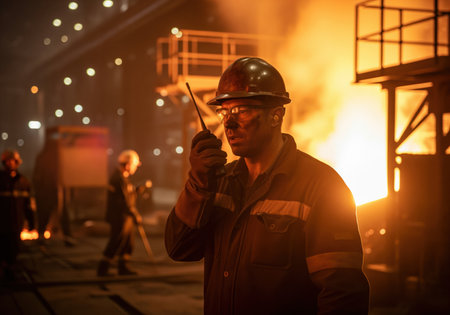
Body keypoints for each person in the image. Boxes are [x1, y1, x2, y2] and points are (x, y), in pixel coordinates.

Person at [165, 57, 370, 314]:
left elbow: (343, 295)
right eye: (224, 112)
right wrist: (198, 184)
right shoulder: (220, 184)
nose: (228, 123)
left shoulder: (322, 187)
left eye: (241, 111)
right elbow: (179, 249)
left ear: (276, 115)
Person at [97, 150, 143, 276]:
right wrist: (134, 213)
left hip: (124, 217)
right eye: (134, 165)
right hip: (119, 217)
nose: (135, 168)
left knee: (128, 242)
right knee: (116, 241)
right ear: (128, 165)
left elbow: (126, 195)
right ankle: (103, 269)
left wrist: (136, 191)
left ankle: (123, 267)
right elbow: (124, 201)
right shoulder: (118, 178)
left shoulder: (123, 178)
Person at [0, 149, 35, 280]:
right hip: (1, 224)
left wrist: (31, 222)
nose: (10, 163)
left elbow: (27, 205)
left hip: (16, 224)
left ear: (17, 162)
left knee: (14, 249)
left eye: (13, 161)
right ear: (4, 162)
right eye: (8, 161)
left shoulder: (24, 182)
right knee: (2, 248)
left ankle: (10, 271)